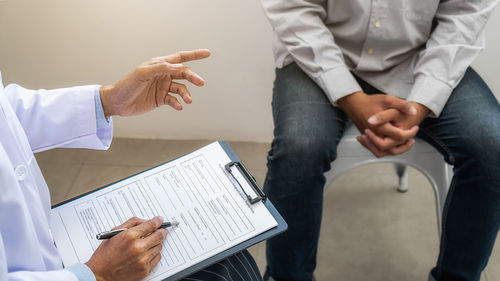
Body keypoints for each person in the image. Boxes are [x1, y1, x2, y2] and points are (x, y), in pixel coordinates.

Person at [260, 1, 500, 281]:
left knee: (492, 146)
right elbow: (293, 9)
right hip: (318, 56)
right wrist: (350, 97)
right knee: (300, 148)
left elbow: (464, 16)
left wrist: (419, 105)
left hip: (420, 57)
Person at [0, 49, 262, 281]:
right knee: (218, 270)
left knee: (227, 256)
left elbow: (7, 110)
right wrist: (96, 274)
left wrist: (108, 100)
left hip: (46, 243)